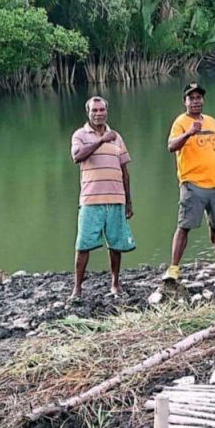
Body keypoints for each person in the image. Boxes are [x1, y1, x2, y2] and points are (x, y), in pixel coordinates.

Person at [163, 82, 215, 282]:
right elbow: (171, 146)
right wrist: (188, 133)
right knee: (184, 225)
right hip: (192, 183)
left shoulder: (211, 121)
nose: (196, 101)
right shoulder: (180, 122)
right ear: (185, 101)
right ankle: (173, 268)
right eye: (191, 98)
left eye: (198, 98)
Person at [70, 96, 135, 298]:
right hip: (91, 199)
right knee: (83, 244)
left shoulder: (116, 136)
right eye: (94, 110)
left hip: (116, 198)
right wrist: (100, 141)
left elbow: (125, 171)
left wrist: (128, 201)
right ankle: (77, 288)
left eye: (102, 110)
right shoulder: (80, 135)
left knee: (116, 244)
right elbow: (77, 156)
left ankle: (115, 283)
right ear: (88, 113)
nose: (99, 114)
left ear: (107, 111)